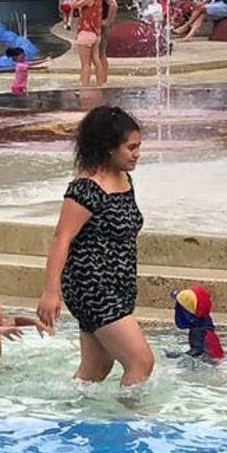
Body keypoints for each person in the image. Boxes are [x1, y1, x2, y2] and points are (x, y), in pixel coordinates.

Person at [37, 106, 154, 387]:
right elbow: (61, 238)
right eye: (131, 147)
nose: (137, 153)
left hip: (119, 285)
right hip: (92, 287)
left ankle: (70, 414)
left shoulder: (125, 180)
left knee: (97, 367)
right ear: (108, 148)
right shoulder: (87, 188)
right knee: (141, 361)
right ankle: (128, 423)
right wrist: (50, 292)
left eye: (139, 146)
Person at [70, 0, 115, 91]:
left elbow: (73, 5)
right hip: (96, 33)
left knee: (85, 63)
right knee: (96, 59)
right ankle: (101, 84)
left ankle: (84, 86)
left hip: (86, 32)